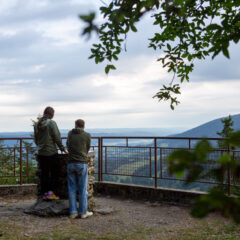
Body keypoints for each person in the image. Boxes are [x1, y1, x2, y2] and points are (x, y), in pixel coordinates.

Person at [34, 106, 67, 200]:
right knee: (54, 174)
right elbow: (57, 137)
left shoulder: (37, 124)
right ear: (52, 114)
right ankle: (51, 193)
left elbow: (36, 140)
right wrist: (62, 148)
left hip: (41, 153)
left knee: (44, 174)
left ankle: (45, 194)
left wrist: (40, 146)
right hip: (51, 153)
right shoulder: (51, 123)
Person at [66, 119, 93, 219]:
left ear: (75, 125)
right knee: (82, 189)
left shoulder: (70, 133)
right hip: (81, 163)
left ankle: (73, 212)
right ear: (83, 126)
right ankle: (83, 212)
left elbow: (68, 145)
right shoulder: (87, 135)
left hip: (71, 163)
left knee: (71, 188)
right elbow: (87, 147)